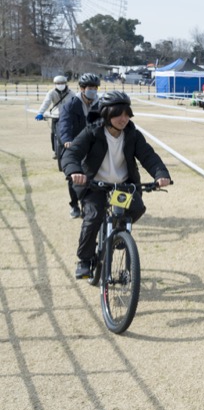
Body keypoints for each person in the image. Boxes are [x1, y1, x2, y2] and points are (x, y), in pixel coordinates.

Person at [61, 91, 171, 279]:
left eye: (127, 113)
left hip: (122, 186)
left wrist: (161, 174)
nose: (123, 118)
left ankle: (119, 235)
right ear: (106, 113)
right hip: (95, 185)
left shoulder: (133, 135)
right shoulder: (92, 132)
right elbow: (72, 154)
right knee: (93, 217)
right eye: (118, 113)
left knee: (136, 208)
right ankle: (85, 260)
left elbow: (149, 156)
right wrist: (74, 171)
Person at [57, 73, 102, 218]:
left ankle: (89, 204)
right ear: (82, 89)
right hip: (75, 144)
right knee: (75, 175)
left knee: (94, 175)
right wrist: (67, 140)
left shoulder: (100, 103)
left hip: (93, 145)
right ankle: (75, 204)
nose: (93, 90)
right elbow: (64, 124)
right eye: (90, 87)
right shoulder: (70, 104)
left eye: (95, 88)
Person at [35, 75, 77, 159]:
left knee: (71, 132)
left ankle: (72, 149)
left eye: (62, 83)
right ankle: (55, 151)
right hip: (55, 115)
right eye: (58, 83)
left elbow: (75, 104)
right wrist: (40, 113)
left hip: (68, 116)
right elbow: (46, 103)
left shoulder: (71, 93)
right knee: (53, 133)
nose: (60, 84)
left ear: (65, 83)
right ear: (55, 84)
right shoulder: (51, 92)